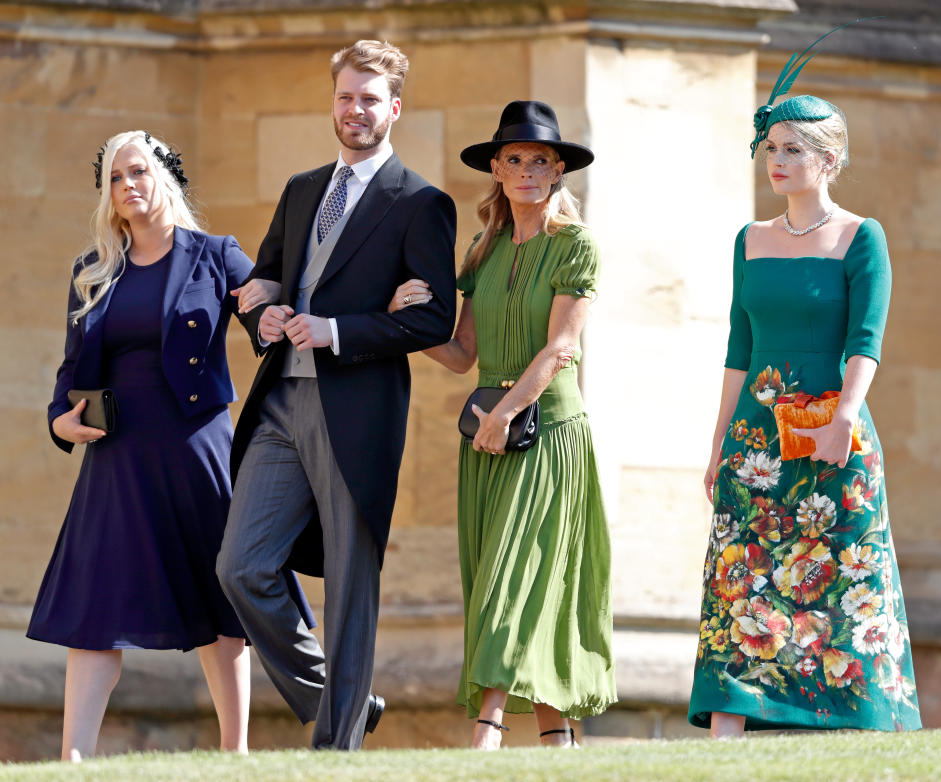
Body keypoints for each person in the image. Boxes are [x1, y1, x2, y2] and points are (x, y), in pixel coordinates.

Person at [215, 39, 457, 751]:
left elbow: (433, 318)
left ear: (395, 109)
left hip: (357, 410)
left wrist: (337, 329)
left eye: (371, 99)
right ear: (334, 101)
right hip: (281, 406)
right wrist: (261, 314)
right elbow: (265, 281)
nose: (356, 110)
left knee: (352, 584)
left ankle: (336, 751)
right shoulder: (300, 190)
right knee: (241, 565)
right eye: (347, 97)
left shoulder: (421, 204)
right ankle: (338, 698)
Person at [29, 130, 296, 760]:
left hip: (195, 444)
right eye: (116, 178)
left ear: (165, 177)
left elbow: (262, 315)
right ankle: (73, 759)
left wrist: (278, 317)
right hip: (116, 451)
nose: (128, 187)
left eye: (139, 172)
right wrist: (56, 420)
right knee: (97, 599)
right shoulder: (93, 271)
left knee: (218, 591)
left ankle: (236, 751)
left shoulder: (215, 254)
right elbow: (72, 374)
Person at [688, 34, 922, 737]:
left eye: (793, 150)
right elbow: (738, 347)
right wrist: (719, 442)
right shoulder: (749, 239)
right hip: (756, 440)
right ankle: (733, 720)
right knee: (743, 573)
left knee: (843, 573)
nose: (778, 162)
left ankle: (857, 720)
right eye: (772, 149)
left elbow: (865, 339)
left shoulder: (862, 237)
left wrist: (846, 416)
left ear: (829, 159)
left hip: (832, 431)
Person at [391, 100, 617, 749]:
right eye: (514, 159)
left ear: (557, 171)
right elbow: (462, 355)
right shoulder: (483, 250)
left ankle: (486, 737)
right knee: (519, 581)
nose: (526, 171)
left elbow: (560, 350)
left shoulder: (575, 245)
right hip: (490, 438)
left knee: (512, 581)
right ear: (495, 168)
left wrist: (507, 412)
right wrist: (405, 321)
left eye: (539, 160)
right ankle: (559, 744)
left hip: (547, 434)